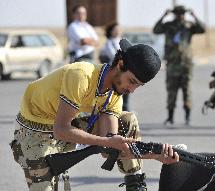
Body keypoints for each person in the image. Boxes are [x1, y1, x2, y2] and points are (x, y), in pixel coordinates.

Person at [9, 39, 179, 191]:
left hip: (65, 125)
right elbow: (61, 130)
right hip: (34, 131)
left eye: (138, 86)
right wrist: (105, 141)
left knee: (126, 121)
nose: (131, 90)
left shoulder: (114, 94)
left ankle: (135, 184)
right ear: (120, 65)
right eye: (132, 81)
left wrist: (155, 155)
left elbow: (110, 148)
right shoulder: (81, 75)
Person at [153, 5, 205, 125]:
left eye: (182, 13)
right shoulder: (168, 25)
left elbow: (202, 29)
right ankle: (170, 117)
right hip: (172, 64)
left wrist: (194, 16)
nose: (180, 16)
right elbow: (156, 30)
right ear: (174, 14)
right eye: (177, 13)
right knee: (171, 92)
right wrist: (163, 16)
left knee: (187, 91)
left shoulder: (189, 25)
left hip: (186, 64)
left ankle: (188, 117)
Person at [99, 22, 130, 111]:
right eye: (115, 29)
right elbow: (113, 55)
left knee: (126, 93)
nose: (117, 31)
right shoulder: (109, 42)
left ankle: (126, 111)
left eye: (118, 29)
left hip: (124, 70)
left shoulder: (123, 41)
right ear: (111, 31)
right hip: (115, 71)